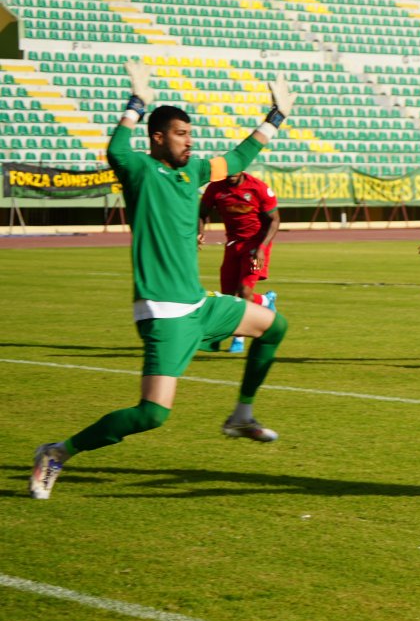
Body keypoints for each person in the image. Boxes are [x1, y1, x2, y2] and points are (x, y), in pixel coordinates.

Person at [29, 61, 294, 500]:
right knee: (152, 414)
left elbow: (238, 157)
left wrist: (276, 117)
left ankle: (240, 416)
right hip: (164, 314)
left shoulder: (191, 175)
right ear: (157, 138)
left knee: (275, 326)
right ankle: (57, 452)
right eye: (181, 134)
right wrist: (137, 103)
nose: (190, 141)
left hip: (199, 305)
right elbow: (115, 149)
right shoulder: (140, 172)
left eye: (190, 134)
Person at [199, 171, 281, 352]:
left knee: (244, 291)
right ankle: (265, 301)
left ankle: (239, 340)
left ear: (242, 168)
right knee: (228, 296)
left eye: (234, 172)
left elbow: (275, 220)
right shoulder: (215, 188)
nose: (230, 176)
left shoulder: (258, 188)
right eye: (226, 172)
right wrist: (200, 231)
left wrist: (262, 248)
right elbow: (202, 212)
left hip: (258, 247)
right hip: (233, 246)